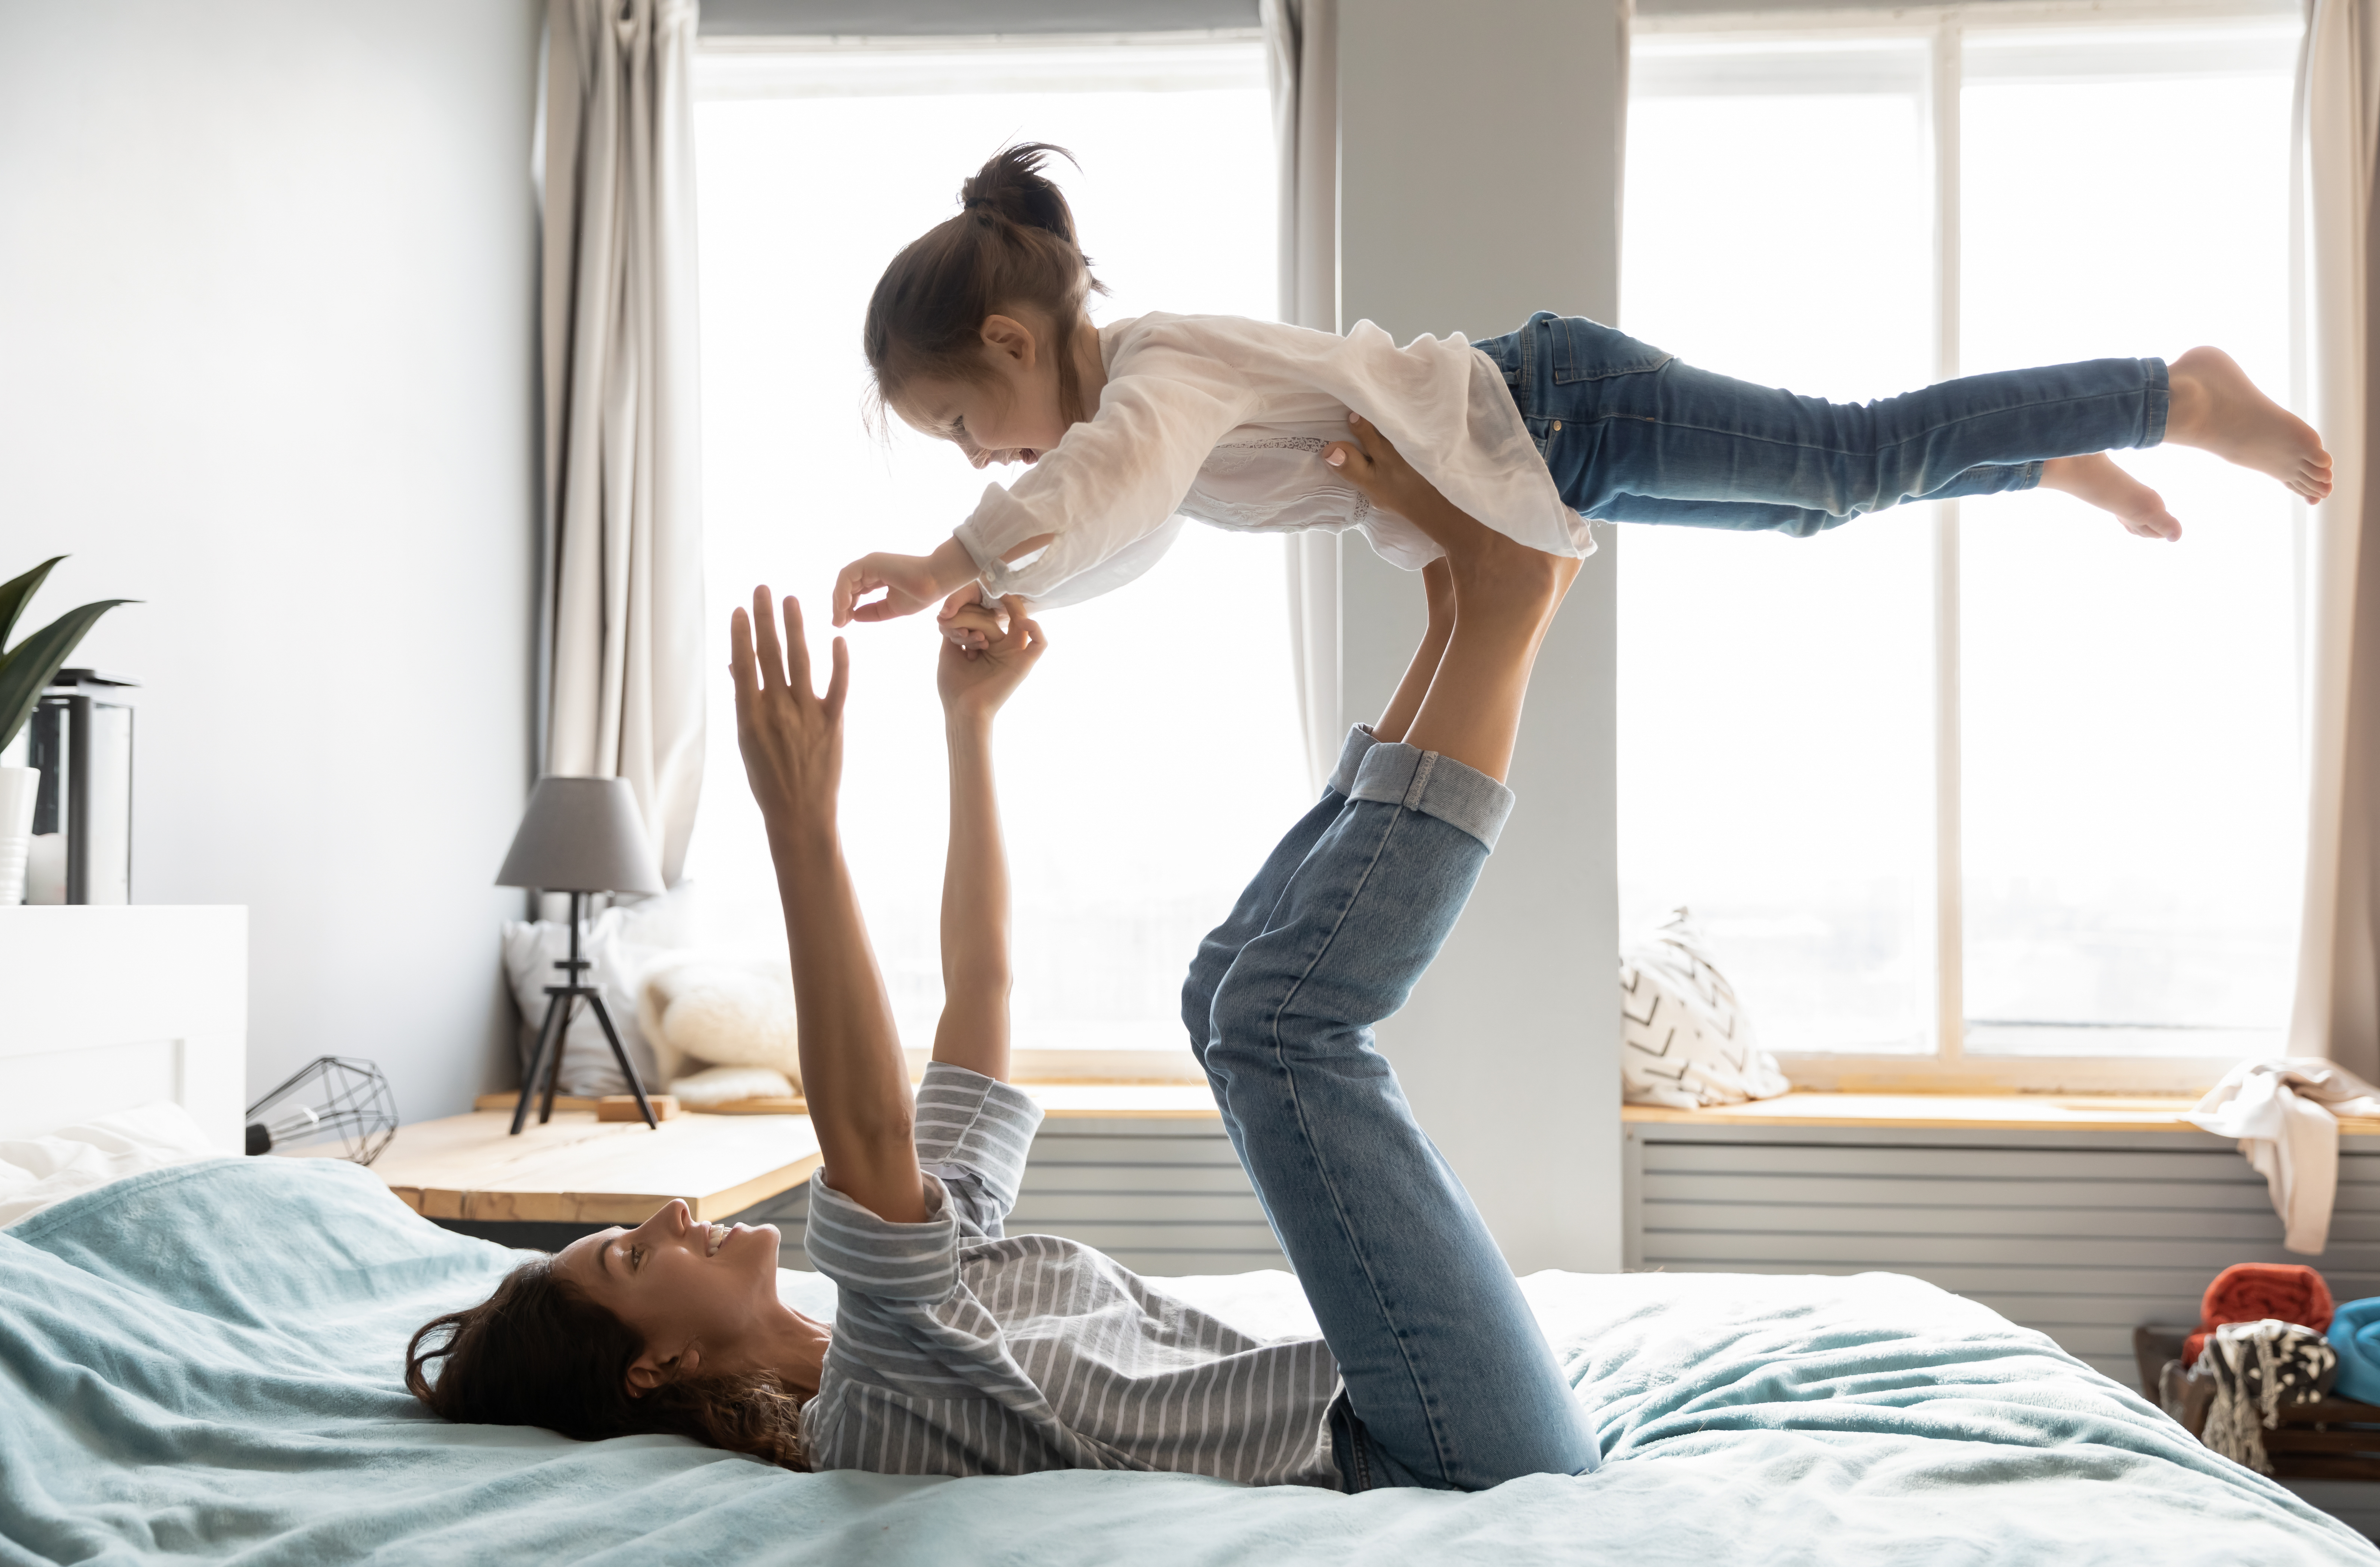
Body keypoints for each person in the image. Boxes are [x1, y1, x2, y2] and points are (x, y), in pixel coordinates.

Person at [406, 421, 1601, 1491]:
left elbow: (983, 992)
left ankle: (1460, 622)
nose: (668, 1215)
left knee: (1217, 993)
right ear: (655, 1368)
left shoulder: (936, 1282)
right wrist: (798, 824)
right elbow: (864, 1134)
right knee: (1276, 1024)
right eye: (629, 1257)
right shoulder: (873, 1406)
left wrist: (966, 728)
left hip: (1426, 1403)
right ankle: (1504, 611)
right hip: (1440, 1454)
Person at [831, 143, 2333, 645]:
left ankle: (2172, 395)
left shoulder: (1159, 375)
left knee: (1849, 459)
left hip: (1563, 407)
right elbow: (1129, 533)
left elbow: (1108, 497)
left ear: (1015, 343)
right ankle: (2044, 460)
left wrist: (954, 558)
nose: (981, 457)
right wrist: (1012, 594)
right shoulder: (1128, 431)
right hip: (1556, 451)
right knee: (1833, 503)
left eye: (963, 426)